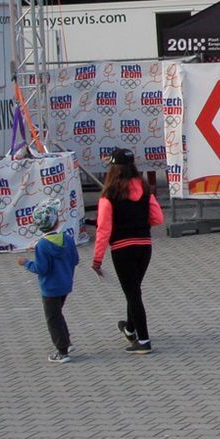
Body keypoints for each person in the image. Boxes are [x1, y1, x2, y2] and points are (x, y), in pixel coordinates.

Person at [92, 149, 163, 354]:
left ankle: (143, 341)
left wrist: (97, 260)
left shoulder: (109, 196)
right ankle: (130, 329)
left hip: (122, 248)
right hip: (144, 246)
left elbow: (103, 230)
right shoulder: (145, 190)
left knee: (133, 294)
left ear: (113, 170)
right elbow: (157, 218)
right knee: (134, 290)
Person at [18, 202, 78, 364]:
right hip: (65, 284)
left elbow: (41, 268)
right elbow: (75, 260)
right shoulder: (68, 239)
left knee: (53, 319)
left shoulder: (42, 245)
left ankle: (62, 351)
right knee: (57, 314)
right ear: (56, 221)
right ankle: (67, 342)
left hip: (50, 288)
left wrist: (26, 263)